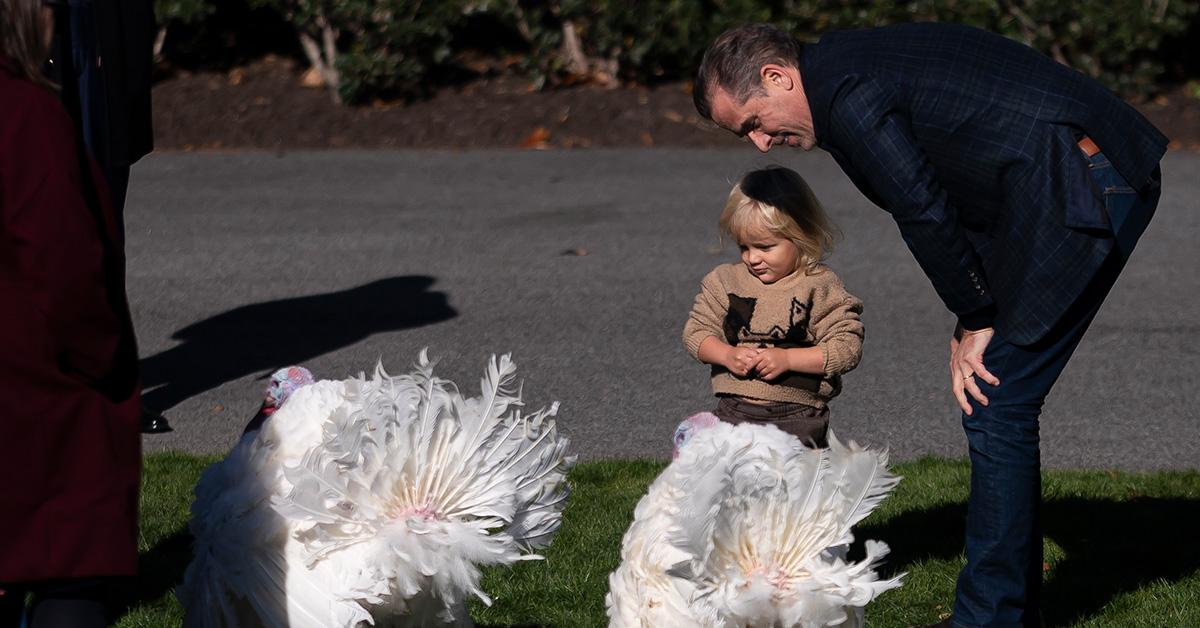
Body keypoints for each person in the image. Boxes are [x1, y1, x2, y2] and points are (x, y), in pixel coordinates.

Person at [692, 22, 1166, 627]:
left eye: (752, 122)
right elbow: (953, 181)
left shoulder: (847, 97)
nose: (760, 145)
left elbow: (923, 208)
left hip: (1084, 180)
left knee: (999, 400)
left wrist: (975, 315)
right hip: (1049, 175)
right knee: (997, 393)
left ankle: (991, 619)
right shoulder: (841, 62)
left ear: (777, 76)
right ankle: (1000, 611)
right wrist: (973, 313)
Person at [0, 0, 142, 625]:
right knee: (71, 574)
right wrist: (103, 359)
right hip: (39, 406)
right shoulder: (25, 117)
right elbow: (66, 271)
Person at [683, 166, 864, 448]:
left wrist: (789, 361)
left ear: (801, 236)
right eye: (744, 247)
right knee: (727, 481)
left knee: (787, 485)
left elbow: (846, 347)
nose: (752, 258)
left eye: (765, 247)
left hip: (798, 415)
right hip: (734, 409)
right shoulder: (724, 282)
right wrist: (727, 354)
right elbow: (696, 333)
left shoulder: (818, 285)